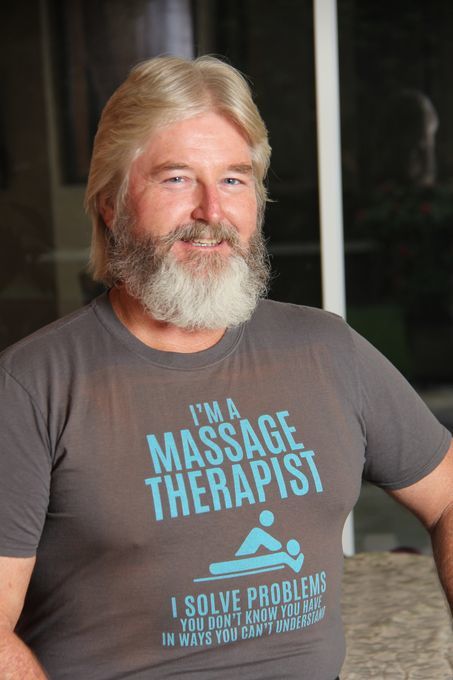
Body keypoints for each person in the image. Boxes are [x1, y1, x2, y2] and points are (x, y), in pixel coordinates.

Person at [0, 55, 452, 680]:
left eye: (235, 180)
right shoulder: (31, 386)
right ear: (110, 204)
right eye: (177, 178)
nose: (211, 210)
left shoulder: (327, 350)